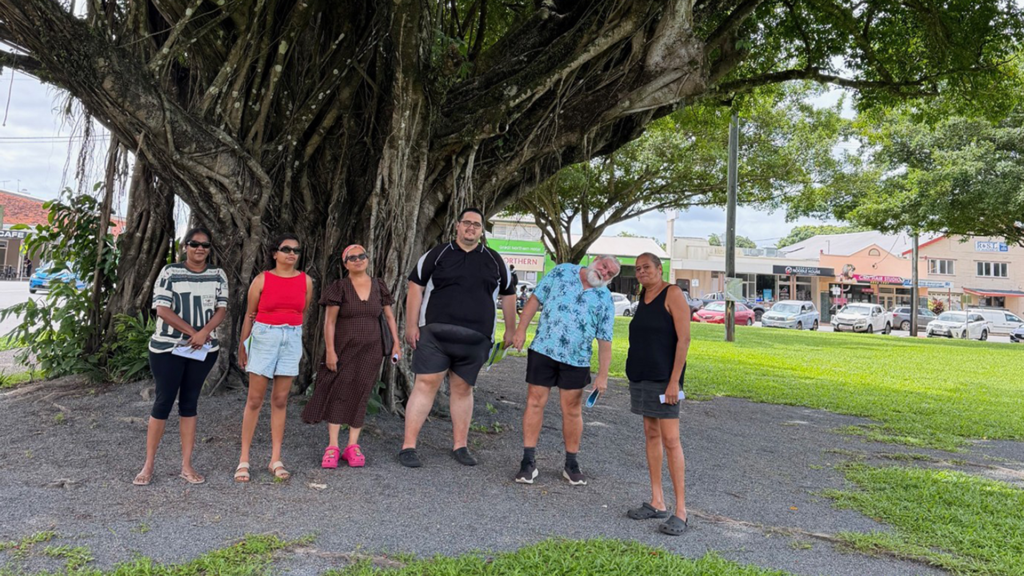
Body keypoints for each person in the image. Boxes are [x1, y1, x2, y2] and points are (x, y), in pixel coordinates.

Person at [399, 208, 517, 468]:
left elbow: (509, 295)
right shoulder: (437, 254)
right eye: (467, 223)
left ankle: (460, 446)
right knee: (426, 383)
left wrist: (511, 329)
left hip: (476, 339)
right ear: (457, 226)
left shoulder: (494, 260)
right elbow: (415, 287)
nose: (471, 228)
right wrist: (410, 325)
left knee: (463, 389)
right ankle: (408, 446)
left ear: (481, 230)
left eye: (476, 224)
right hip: (434, 335)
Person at [511, 255, 620, 486]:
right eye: (603, 266)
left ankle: (571, 464)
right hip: (543, 349)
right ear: (596, 260)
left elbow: (605, 338)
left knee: (571, 410)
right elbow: (535, 299)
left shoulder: (604, 298)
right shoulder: (562, 272)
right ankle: (528, 462)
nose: (604, 273)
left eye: (610, 274)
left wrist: (603, 375)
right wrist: (521, 330)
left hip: (577, 360)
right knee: (534, 402)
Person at [134, 227, 228, 486]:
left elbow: (221, 309)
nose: (200, 249)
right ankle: (148, 465)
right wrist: (193, 333)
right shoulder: (170, 272)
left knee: (190, 403)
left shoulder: (218, 274)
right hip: (168, 348)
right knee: (163, 401)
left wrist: (204, 333)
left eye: (205, 245)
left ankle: (186, 465)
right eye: (194, 244)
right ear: (185, 246)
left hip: (203, 349)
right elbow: (162, 309)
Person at [301, 244, 401, 468]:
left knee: (362, 391)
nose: (358, 260)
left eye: (361, 256)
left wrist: (396, 343)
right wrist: (330, 351)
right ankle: (333, 446)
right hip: (344, 348)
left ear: (367, 259)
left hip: (372, 350)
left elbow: (389, 317)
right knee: (340, 390)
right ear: (345, 264)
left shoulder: (378, 286)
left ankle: (352, 446)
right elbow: (330, 322)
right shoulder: (340, 287)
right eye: (352, 257)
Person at [235, 234, 314, 482]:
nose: (292, 254)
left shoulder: (306, 281)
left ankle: (275, 458)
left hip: (290, 338)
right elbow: (250, 315)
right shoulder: (262, 280)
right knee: (255, 399)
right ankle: (244, 460)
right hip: (264, 336)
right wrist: (243, 346)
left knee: (280, 399)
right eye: (286, 249)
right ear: (275, 253)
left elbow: (302, 310)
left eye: (296, 250)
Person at [624, 253, 691, 536]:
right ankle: (656, 501)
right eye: (638, 269)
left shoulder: (671, 293)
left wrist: (674, 381)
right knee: (651, 434)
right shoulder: (643, 298)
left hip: (665, 381)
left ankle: (681, 511)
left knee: (671, 441)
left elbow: (684, 339)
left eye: (646, 267)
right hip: (641, 377)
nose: (641, 272)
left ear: (659, 269)